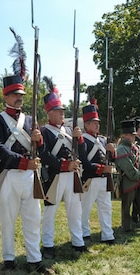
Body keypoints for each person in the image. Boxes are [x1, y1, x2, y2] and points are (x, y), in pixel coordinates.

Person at [0, 75, 53, 275]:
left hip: (29, 175)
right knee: (8, 219)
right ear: (5, 95)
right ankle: (8, 258)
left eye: (21, 94)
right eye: (14, 94)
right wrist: (22, 162)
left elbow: (42, 150)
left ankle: (35, 259)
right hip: (8, 175)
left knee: (33, 219)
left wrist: (39, 141)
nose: (19, 97)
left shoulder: (30, 120)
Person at [39, 82, 88, 259]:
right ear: (49, 113)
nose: (62, 114)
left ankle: (78, 242)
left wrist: (80, 140)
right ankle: (49, 246)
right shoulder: (43, 131)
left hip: (72, 175)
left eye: (62, 111)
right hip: (54, 176)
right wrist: (63, 165)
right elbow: (43, 155)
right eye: (58, 111)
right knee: (50, 212)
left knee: (75, 211)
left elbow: (82, 153)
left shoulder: (69, 130)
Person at [79, 104, 115, 244]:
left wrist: (112, 151)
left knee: (106, 207)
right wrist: (101, 169)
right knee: (85, 208)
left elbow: (109, 159)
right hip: (90, 179)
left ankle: (107, 234)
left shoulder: (103, 140)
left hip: (104, 179)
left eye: (97, 123)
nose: (97, 125)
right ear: (86, 124)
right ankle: (84, 232)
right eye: (94, 123)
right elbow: (84, 162)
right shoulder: (82, 140)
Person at [115, 120, 140, 234]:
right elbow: (128, 169)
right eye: (130, 135)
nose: (133, 137)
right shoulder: (122, 149)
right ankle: (126, 228)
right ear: (124, 135)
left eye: (133, 134)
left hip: (139, 181)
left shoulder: (135, 147)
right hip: (128, 182)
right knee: (126, 207)